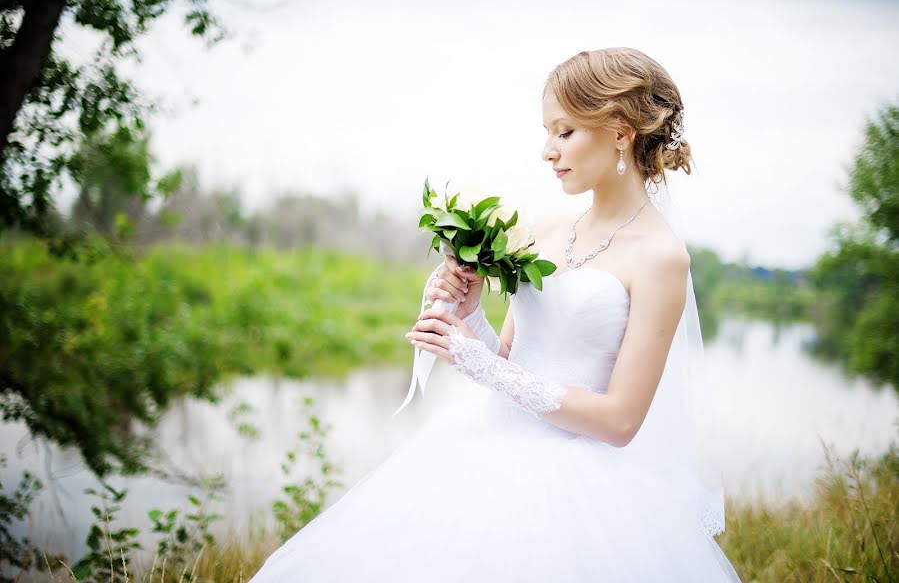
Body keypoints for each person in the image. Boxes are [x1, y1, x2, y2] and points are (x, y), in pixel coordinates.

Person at [248, 47, 742, 582]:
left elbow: (621, 421)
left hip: (579, 485)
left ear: (620, 131)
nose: (547, 151)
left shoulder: (661, 257)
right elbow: (512, 359)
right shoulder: (547, 230)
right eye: (548, 132)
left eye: (564, 132)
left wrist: (477, 363)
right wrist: (469, 318)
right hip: (485, 449)